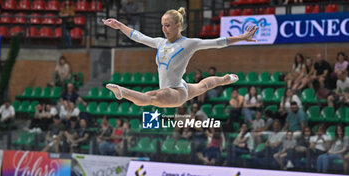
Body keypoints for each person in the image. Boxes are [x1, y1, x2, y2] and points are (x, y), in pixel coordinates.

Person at [103, 8, 258, 107]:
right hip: (180, 85)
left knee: (151, 96)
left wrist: (242, 37)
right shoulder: (160, 42)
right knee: (203, 86)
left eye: (168, 25)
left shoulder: (189, 43)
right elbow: (138, 36)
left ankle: (122, 92)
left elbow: (217, 42)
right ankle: (226, 79)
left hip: (175, 92)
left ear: (178, 25)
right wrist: (120, 25)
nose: (164, 29)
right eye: (162, 25)